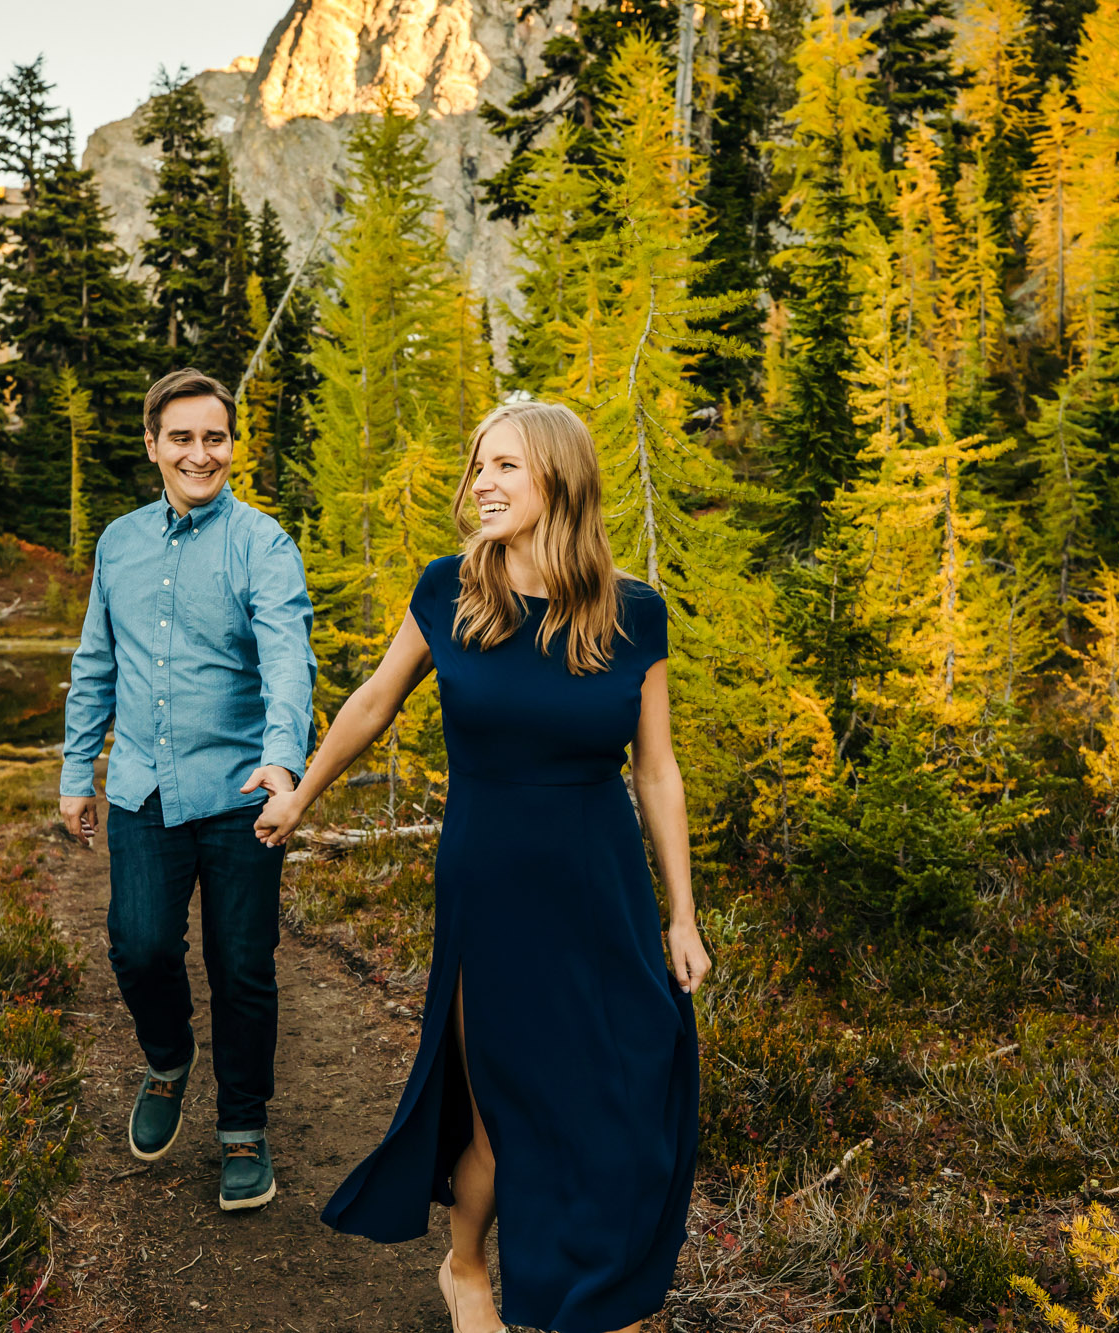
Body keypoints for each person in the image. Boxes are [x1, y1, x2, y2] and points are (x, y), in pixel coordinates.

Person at [254, 400, 711, 1333]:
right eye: (478, 466)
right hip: (490, 886)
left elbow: (656, 769)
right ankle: (465, 1269)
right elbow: (375, 701)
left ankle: (605, 1294)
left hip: (602, 887)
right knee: (505, 1099)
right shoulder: (449, 591)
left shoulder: (631, 611)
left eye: (506, 466)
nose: (484, 484)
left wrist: (682, 914)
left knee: (626, 1092)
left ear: (561, 480)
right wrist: (300, 795)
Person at [60, 367, 316, 1212]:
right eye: (182, 437)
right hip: (141, 789)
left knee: (242, 967)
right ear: (153, 445)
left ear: (231, 446)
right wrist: (76, 771)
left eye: (214, 437)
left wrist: (285, 761)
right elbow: (96, 662)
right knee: (139, 948)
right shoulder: (119, 543)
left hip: (241, 794)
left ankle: (243, 1128)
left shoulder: (264, 545)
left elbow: (288, 660)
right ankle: (169, 1059)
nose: (199, 453)